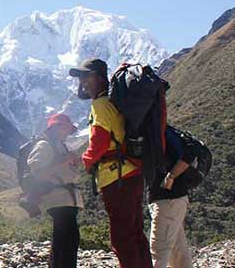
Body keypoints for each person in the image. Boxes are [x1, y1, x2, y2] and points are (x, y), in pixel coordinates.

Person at [69, 58, 152, 268]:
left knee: (122, 238)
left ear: (98, 77)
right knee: (135, 233)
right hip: (133, 172)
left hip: (116, 177)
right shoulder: (113, 101)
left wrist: (84, 162)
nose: (83, 82)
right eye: (81, 78)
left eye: (86, 77)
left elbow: (100, 141)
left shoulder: (100, 105)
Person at [26, 114, 84, 268]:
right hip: (57, 197)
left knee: (66, 238)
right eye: (65, 127)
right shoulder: (44, 145)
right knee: (68, 238)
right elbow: (36, 170)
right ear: (55, 128)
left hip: (66, 198)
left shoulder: (59, 145)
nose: (67, 131)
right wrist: (64, 162)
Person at [148, 133, 195, 268]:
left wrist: (172, 176)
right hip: (171, 200)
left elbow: (192, 150)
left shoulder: (161, 133)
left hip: (168, 200)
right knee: (178, 252)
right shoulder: (159, 132)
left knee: (158, 252)